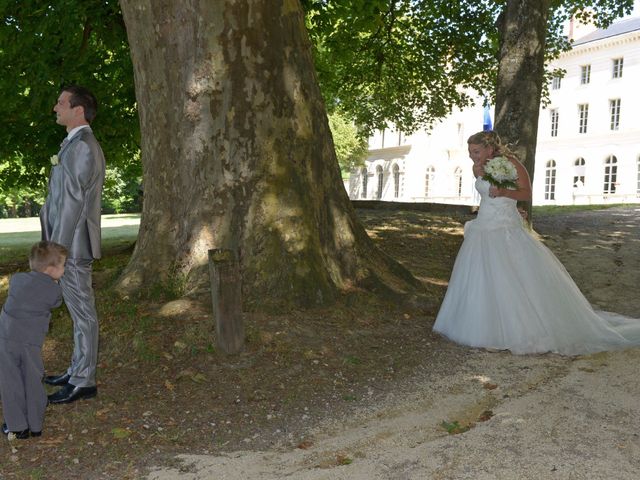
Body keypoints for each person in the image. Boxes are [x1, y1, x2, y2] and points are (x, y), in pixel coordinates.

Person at [433, 130, 640, 355]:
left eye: (476, 151)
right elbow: (487, 196)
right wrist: (504, 201)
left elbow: (526, 193)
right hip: (484, 225)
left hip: (505, 229)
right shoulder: (477, 168)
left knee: (509, 277)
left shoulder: (511, 163)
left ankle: (517, 330)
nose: (472, 156)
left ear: (490, 148)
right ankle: (485, 327)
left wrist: (504, 193)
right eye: (470, 152)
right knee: (481, 276)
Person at [40, 85, 105, 403]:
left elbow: (72, 203)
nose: (56, 107)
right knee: (79, 311)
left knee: (83, 313)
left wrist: (58, 251)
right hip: (70, 246)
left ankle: (84, 380)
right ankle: (77, 369)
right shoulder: (74, 144)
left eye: (61, 103)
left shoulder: (81, 146)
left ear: (78, 110)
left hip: (73, 248)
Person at [0, 241, 67, 439]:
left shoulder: (17, 279)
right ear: (50, 269)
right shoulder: (54, 291)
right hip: (30, 342)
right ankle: (35, 425)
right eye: (62, 265)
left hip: (5, 337)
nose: (64, 269)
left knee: (10, 381)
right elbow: (55, 302)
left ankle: (17, 426)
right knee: (32, 379)